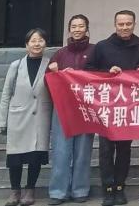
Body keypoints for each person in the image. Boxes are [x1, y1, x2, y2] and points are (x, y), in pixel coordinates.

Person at [85, 10, 139, 206]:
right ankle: (107, 190)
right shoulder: (102, 47)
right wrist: (107, 72)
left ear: (134, 24)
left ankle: (120, 188)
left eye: (128, 24)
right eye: (121, 24)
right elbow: (88, 71)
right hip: (105, 107)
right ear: (115, 25)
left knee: (124, 150)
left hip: (128, 107)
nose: (124, 27)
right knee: (105, 151)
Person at [0, 28, 53, 206]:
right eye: (33, 40)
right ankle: (15, 191)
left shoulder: (50, 65)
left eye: (40, 40)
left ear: (46, 44)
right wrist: (2, 121)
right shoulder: (16, 65)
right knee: (15, 157)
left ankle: (30, 190)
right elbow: (6, 93)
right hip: (18, 117)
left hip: (40, 117)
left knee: (35, 157)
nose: (37, 44)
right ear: (26, 45)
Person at [46, 15, 95, 206]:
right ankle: (58, 191)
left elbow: (101, 75)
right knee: (60, 150)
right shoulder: (60, 54)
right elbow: (47, 82)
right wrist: (54, 73)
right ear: (69, 29)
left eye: (81, 26)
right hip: (63, 107)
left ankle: (80, 189)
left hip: (86, 107)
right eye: (74, 26)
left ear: (87, 29)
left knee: (83, 151)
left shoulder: (94, 51)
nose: (77, 29)